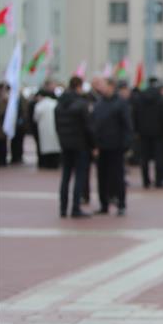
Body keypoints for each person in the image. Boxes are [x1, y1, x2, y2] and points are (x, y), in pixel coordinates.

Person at [91, 78, 133, 216]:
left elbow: (127, 125)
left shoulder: (120, 103)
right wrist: (94, 144)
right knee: (102, 176)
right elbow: (94, 124)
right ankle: (104, 204)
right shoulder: (99, 102)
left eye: (103, 85)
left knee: (117, 176)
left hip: (116, 145)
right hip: (101, 146)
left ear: (111, 86)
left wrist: (126, 144)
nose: (101, 88)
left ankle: (121, 203)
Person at [55, 76, 95, 218]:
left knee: (65, 177)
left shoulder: (59, 104)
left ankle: (63, 208)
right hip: (80, 145)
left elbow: (57, 126)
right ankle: (76, 208)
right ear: (78, 86)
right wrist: (94, 145)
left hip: (65, 145)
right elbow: (88, 127)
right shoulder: (81, 104)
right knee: (79, 177)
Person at [134, 78, 163, 188]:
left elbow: (135, 115)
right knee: (160, 158)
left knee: (144, 158)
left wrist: (136, 130)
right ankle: (159, 180)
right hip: (159, 133)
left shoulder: (140, 99)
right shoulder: (162, 99)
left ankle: (146, 180)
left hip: (143, 133)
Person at [32, 89, 61, 169]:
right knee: (55, 146)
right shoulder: (55, 103)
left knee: (45, 147)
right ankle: (54, 163)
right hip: (55, 128)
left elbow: (35, 118)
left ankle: (46, 164)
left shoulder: (39, 105)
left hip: (43, 129)